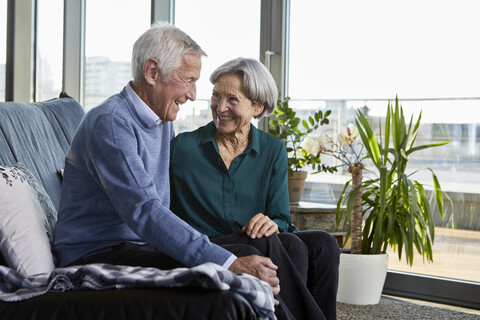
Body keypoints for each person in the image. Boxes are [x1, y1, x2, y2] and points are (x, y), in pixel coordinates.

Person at [53, 22, 319, 320]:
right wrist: (229, 263)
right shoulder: (112, 123)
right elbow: (145, 210)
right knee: (245, 257)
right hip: (99, 254)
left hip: (139, 245)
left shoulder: (160, 122)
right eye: (189, 80)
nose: (194, 95)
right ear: (152, 72)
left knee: (281, 244)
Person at [170, 57, 341, 320]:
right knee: (287, 246)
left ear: (258, 107)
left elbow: (282, 218)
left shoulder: (273, 150)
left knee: (323, 243)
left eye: (233, 100)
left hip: (259, 241)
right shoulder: (182, 148)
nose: (221, 107)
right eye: (217, 95)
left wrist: (270, 222)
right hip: (210, 244)